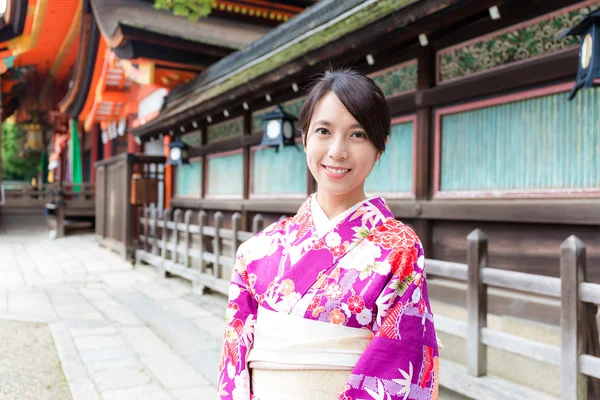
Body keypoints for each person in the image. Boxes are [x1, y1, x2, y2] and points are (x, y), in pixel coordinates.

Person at [218, 69, 439, 400]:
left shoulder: (399, 249)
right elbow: (233, 364)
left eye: (358, 134)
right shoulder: (256, 252)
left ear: (381, 147)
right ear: (304, 137)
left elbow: (402, 363)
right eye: (323, 131)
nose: (337, 151)